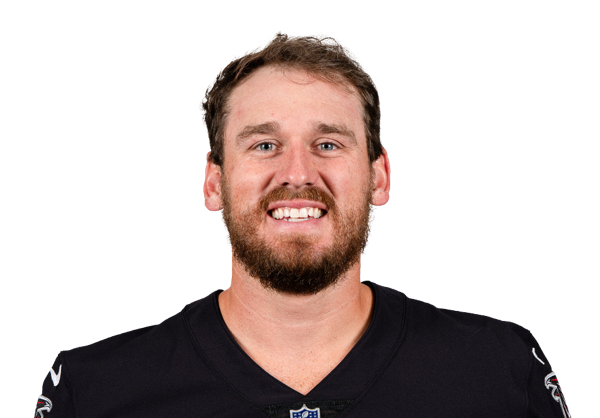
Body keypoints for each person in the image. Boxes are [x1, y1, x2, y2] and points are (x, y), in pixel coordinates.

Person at [34, 32, 570, 417]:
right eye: (265, 145)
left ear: (379, 177)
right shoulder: (94, 392)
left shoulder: (500, 371)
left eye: (328, 144)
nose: (297, 173)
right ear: (214, 182)